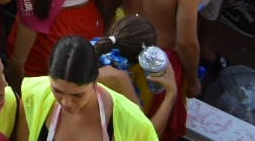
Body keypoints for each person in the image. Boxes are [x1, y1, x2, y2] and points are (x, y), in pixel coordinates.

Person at [19, 36, 156, 141]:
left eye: (77, 95)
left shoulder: (133, 122)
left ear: (95, 81)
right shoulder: (32, 96)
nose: (66, 102)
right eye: (58, 91)